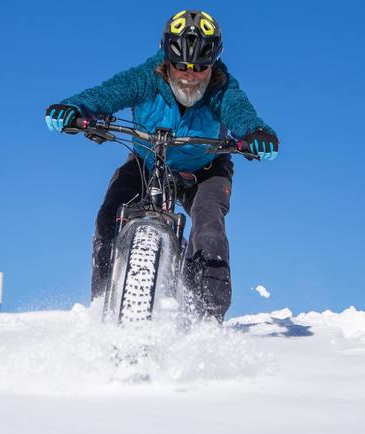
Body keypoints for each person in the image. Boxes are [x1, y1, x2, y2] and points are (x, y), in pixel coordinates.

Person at [44, 10, 278, 322]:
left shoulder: (222, 88)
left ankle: (208, 320)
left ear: (213, 65)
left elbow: (240, 112)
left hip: (206, 167)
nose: (189, 74)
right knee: (109, 213)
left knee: (208, 226)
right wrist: (76, 108)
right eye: (181, 65)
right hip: (147, 161)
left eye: (200, 67)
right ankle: (101, 305)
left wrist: (256, 133)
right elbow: (108, 93)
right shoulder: (146, 78)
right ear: (166, 59)